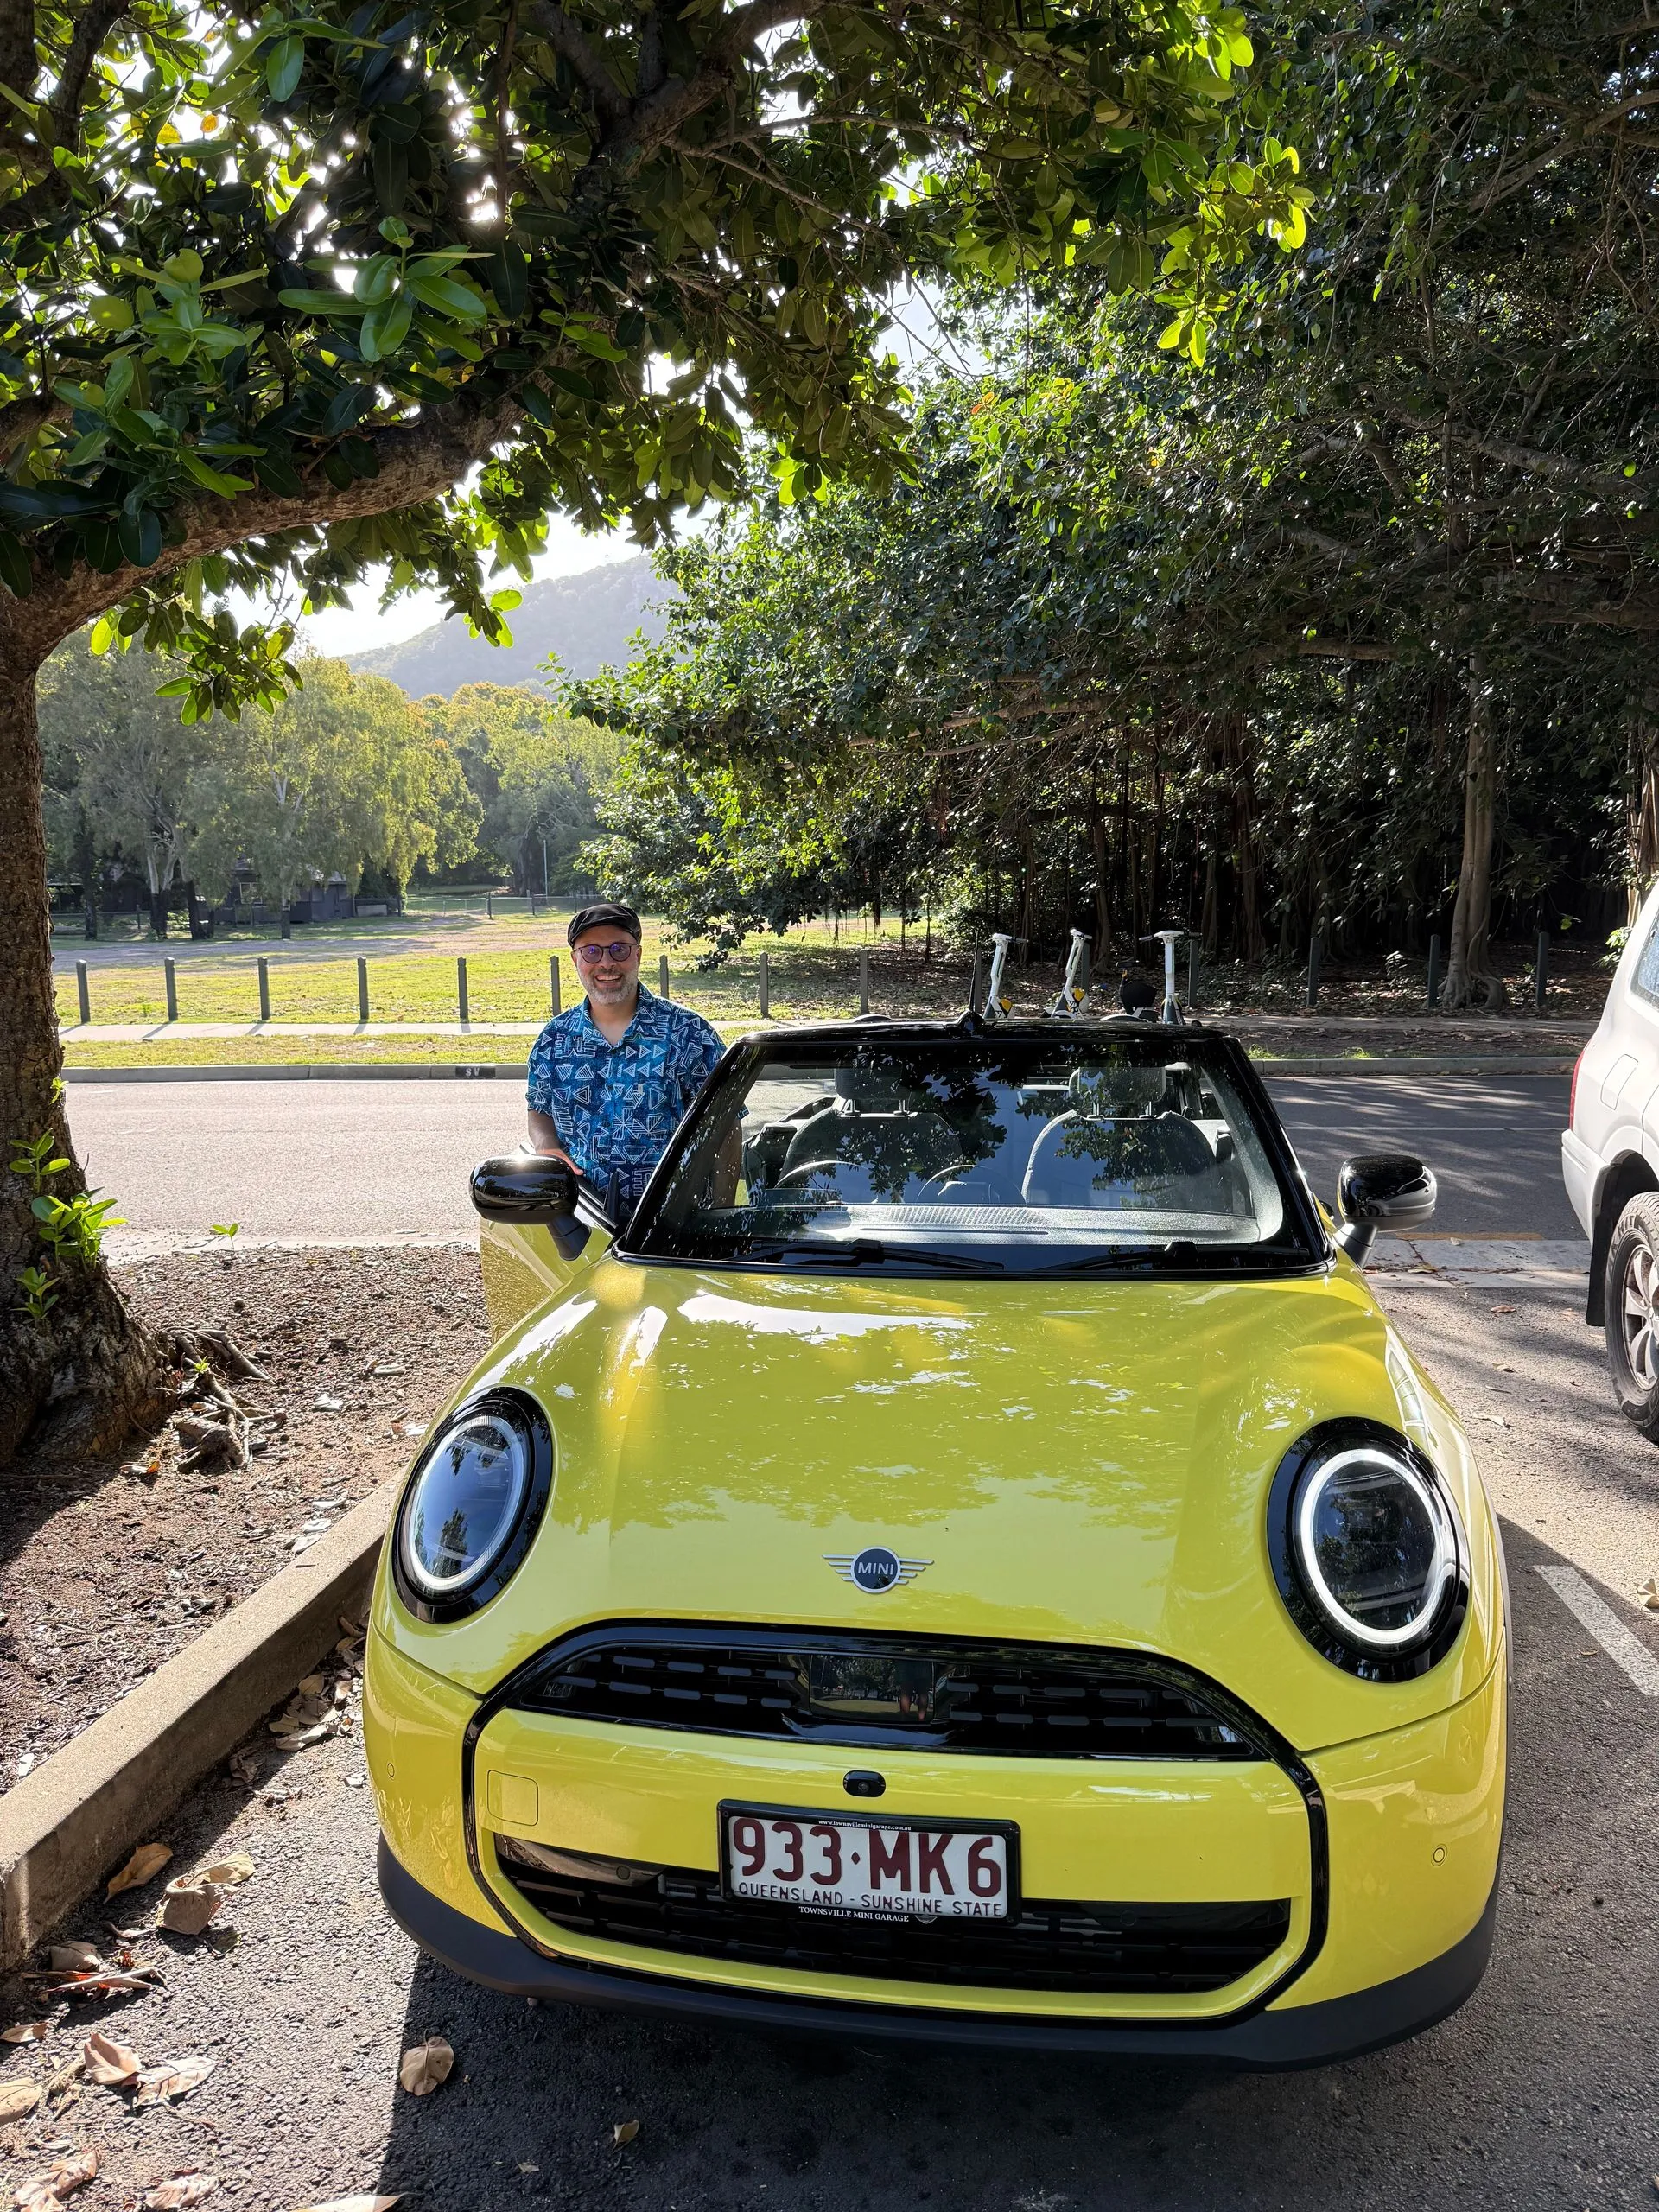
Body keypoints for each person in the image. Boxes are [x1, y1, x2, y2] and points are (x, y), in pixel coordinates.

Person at [526, 901, 725, 1217]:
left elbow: (725, 1127)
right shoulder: (553, 1039)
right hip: (581, 1219)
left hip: (670, 1222)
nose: (607, 963)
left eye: (619, 949)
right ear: (575, 960)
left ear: (638, 955)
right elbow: (539, 1110)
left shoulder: (689, 1033)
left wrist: (719, 1214)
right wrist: (545, 1146)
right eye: (592, 952)